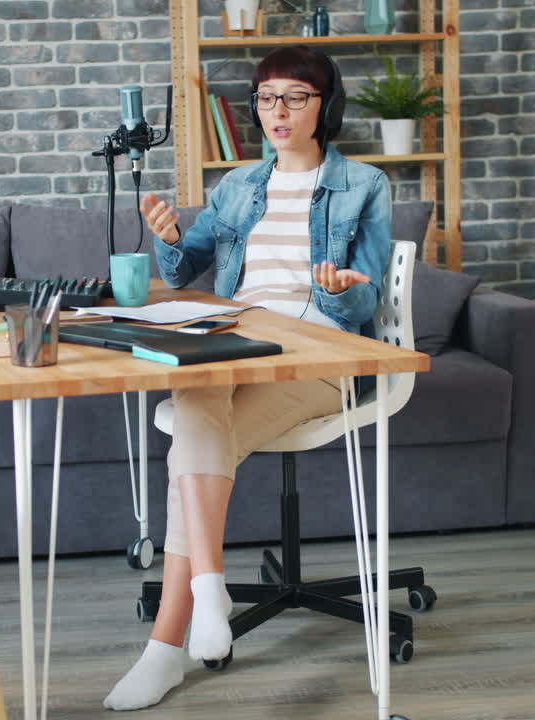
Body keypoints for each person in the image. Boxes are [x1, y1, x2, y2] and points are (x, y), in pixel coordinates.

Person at [103, 45, 393, 711]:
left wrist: (344, 288)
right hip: (236, 342)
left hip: (320, 356)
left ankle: (167, 645)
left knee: (190, 445)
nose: (278, 111)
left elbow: (365, 301)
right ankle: (207, 590)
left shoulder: (365, 186)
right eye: (266, 98)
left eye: (296, 96)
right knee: (197, 383)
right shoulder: (238, 186)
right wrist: (169, 234)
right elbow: (182, 271)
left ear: (326, 105)